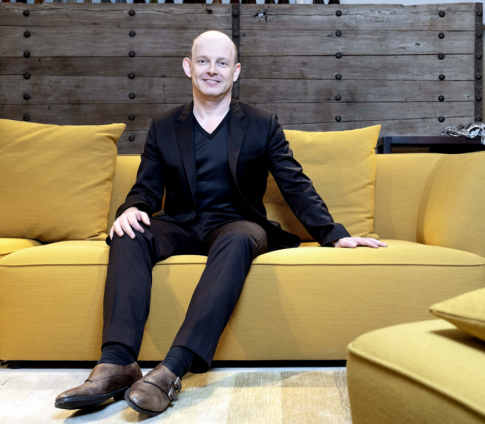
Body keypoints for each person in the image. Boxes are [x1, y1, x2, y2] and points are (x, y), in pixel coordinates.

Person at [54, 30, 388, 417]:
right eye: (203, 61)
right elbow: (146, 188)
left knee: (241, 237)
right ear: (188, 67)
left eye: (222, 63)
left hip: (236, 225)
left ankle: (171, 370)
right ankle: (116, 364)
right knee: (129, 233)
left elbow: (294, 183)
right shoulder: (164, 126)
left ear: (235, 71)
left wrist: (334, 235)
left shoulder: (262, 124)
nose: (212, 70)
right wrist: (132, 208)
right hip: (180, 224)